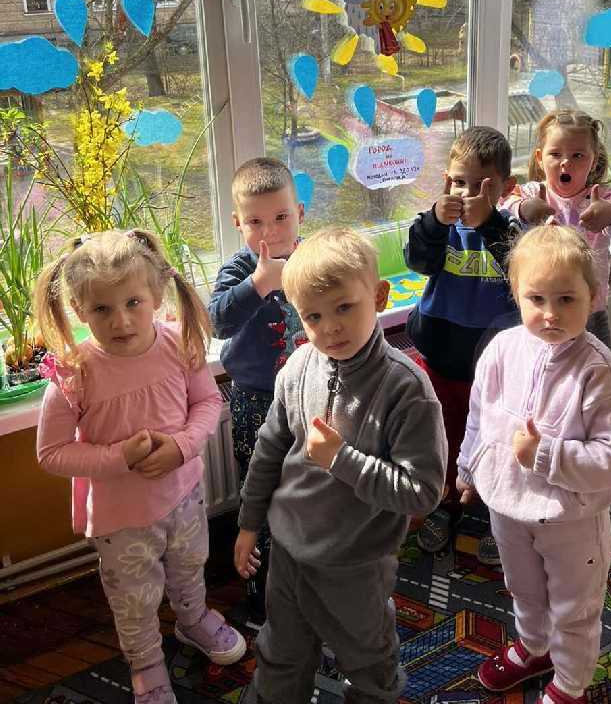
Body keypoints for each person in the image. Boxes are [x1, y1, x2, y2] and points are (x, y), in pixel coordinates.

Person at [233, 228, 447, 704]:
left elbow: (422, 491)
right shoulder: (297, 368)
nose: (330, 328)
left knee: (369, 664)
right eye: (313, 316)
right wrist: (249, 523)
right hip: (289, 552)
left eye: (344, 307)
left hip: (356, 565)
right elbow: (269, 450)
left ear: (379, 296)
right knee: (281, 653)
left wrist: (341, 461)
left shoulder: (407, 389)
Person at [35, 229, 246, 704]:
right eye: (102, 309)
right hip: (121, 520)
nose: (121, 320)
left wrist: (183, 446)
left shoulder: (179, 344)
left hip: (184, 496)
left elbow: (208, 402)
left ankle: (193, 620)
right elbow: (51, 453)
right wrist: (119, 457)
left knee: (190, 567)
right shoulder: (73, 374)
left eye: (133, 302)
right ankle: (146, 664)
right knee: (134, 599)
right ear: (79, 309)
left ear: (156, 294)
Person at [457, 225, 611, 702]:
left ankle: (570, 683)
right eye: (536, 298)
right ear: (516, 293)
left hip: (571, 520)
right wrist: (468, 467)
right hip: (508, 507)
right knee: (523, 588)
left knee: (573, 607)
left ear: (593, 295)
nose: (550, 313)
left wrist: (544, 455)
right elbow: (479, 414)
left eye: (566, 299)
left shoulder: (599, 372)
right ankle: (535, 646)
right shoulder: (502, 349)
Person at [404, 125, 522, 561]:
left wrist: (489, 222)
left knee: (495, 438)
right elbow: (418, 260)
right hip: (441, 358)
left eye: (481, 186)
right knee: (445, 437)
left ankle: (496, 512)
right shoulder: (438, 227)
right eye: (458, 182)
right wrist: (435, 220)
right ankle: (445, 504)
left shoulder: (511, 229)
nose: (467, 194)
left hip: (494, 368)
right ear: (445, 181)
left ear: (506, 188)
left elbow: (520, 270)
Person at [208, 157, 307, 621]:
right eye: (255, 222)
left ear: (300, 213)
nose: (270, 232)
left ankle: (308, 580)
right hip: (255, 400)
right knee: (258, 491)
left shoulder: (313, 260)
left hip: (309, 395)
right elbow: (218, 321)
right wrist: (258, 284)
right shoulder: (238, 269)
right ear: (238, 223)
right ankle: (262, 592)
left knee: (308, 486)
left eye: (281, 217)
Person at [500, 109, 611, 349]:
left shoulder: (602, 197)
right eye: (555, 154)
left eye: (578, 155)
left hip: (590, 313)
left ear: (593, 161)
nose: (566, 162)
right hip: (541, 310)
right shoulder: (533, 193)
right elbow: (502, 207)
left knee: (598, 369)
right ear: (540, 158)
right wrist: (523, 208)